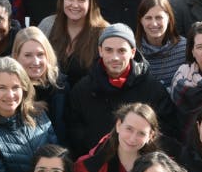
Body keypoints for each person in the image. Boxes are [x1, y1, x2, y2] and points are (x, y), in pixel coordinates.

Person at [65, 23, 177, 158]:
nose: (115, 57)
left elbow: (166, 132)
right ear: (100, 51)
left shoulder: (153, 89)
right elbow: (73, 132)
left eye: (121, 51)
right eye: (109, 50)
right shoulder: (82, 89)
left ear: (133, 52)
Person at [39, 0, 110, 87]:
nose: (75, 5)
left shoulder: (104, 32)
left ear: (91, 3)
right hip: (52, 100)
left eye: (82, 0)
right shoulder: (47, 25)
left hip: (88, 99)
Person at [12, 26, 69, 144]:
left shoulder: (61, 86)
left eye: (40, 54)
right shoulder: (11, 90)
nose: (36, 62)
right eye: (28, 55)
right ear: (16, 57)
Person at [135, 0, 186, 88]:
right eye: (148, 18)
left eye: (159, 18)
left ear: (169, 18)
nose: (154, 24)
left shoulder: (184, 49)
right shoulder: (132, 51)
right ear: (141, 20)